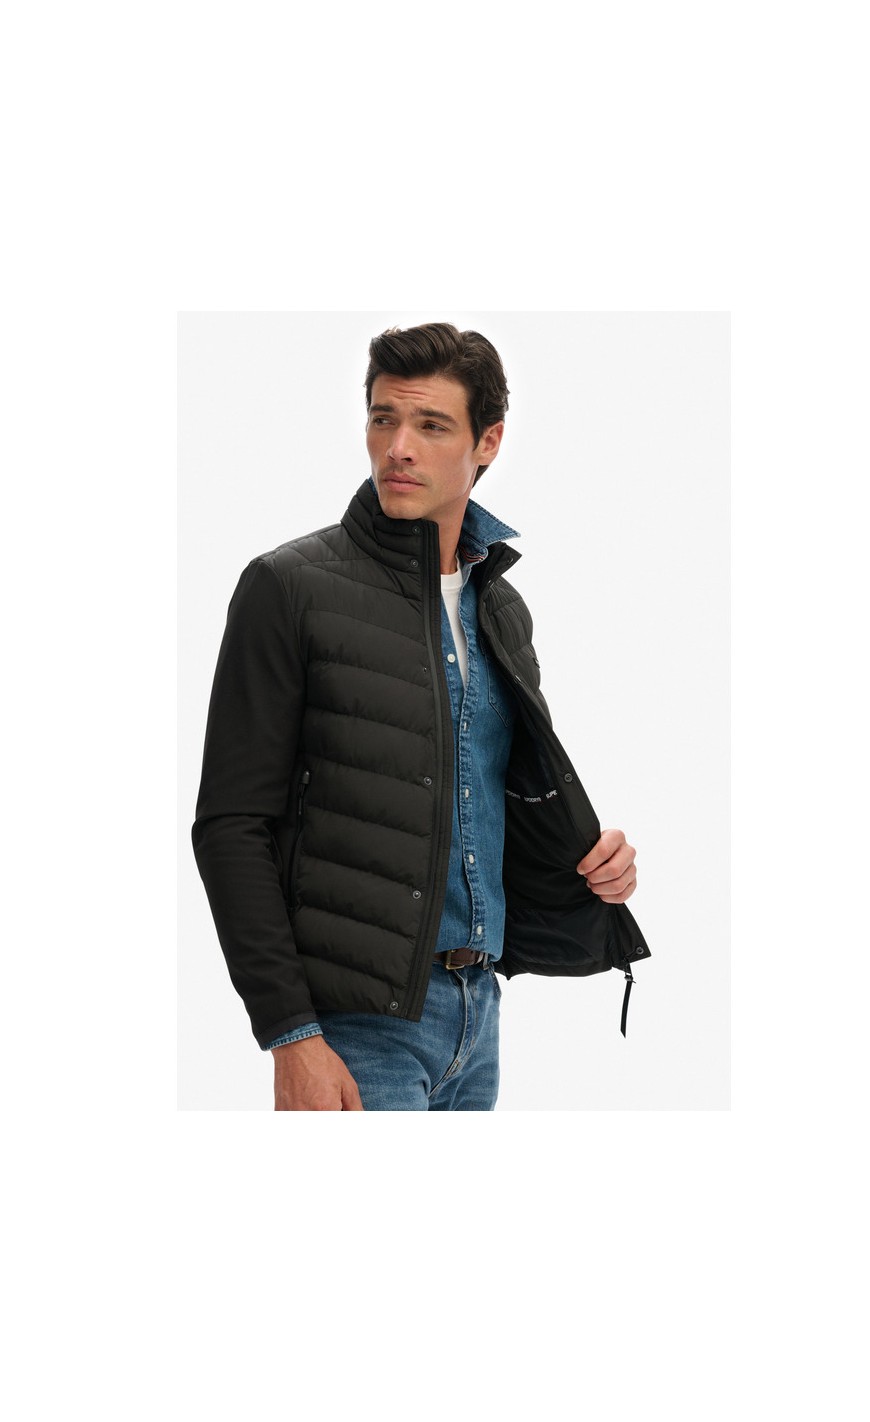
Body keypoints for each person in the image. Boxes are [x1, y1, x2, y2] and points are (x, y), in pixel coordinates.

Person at [192, 321, 650, 1110]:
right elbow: (231, 825)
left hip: (478, 1014)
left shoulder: (500, 608)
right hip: (355, 1030)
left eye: (431, 425)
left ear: (488, 441)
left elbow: (481, 796)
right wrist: (290, 1034)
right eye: (383, 418)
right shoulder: (289, 588)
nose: (398, 447)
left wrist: (589, 867)